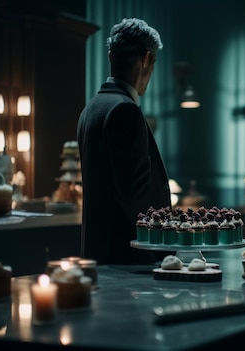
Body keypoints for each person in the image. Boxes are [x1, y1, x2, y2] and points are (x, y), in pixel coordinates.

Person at [77, 18, 171, 265]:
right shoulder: (125, 111)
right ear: (147, 59)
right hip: (128, 257)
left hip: (98, 253)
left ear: (110, 56)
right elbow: (134, 197)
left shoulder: (90, 109)